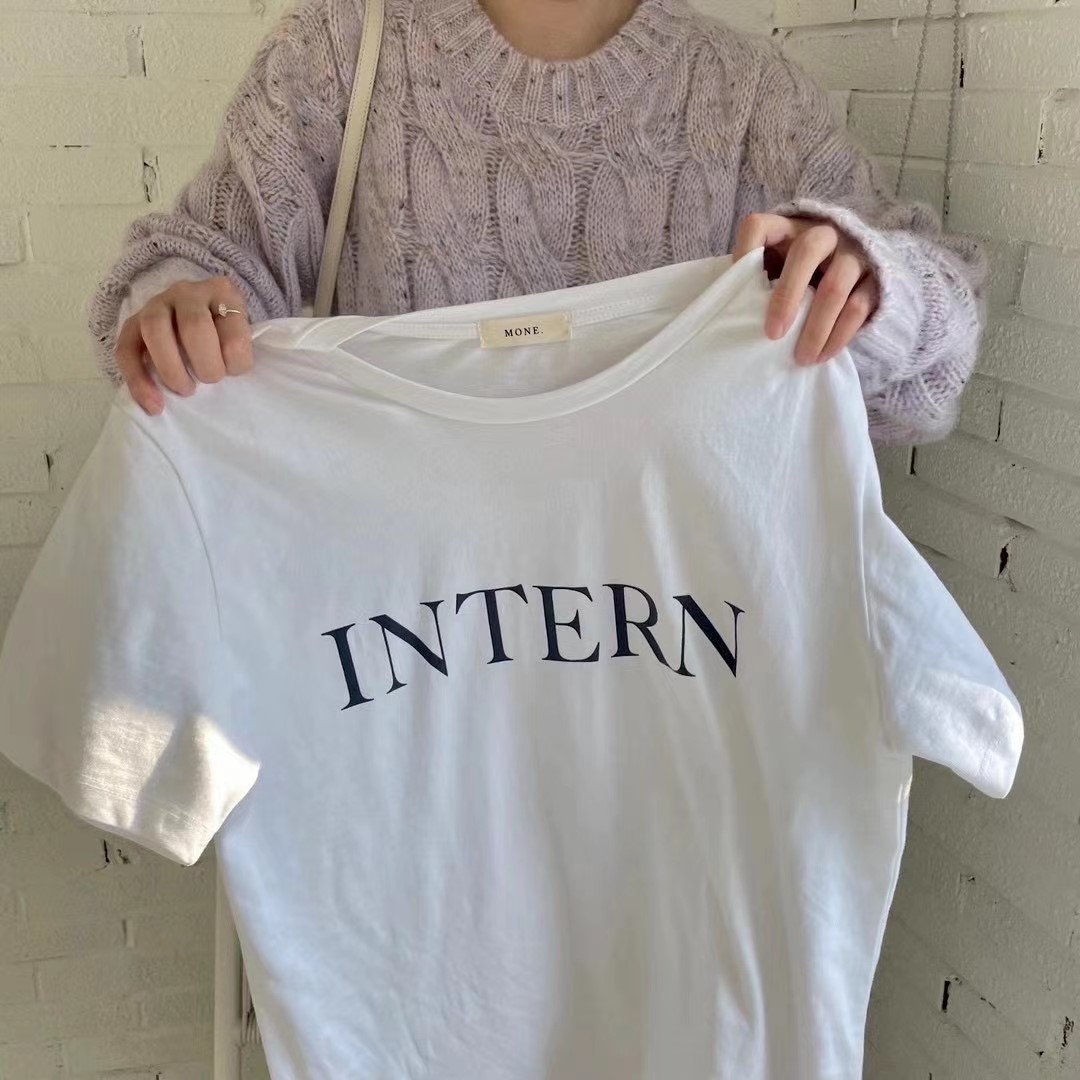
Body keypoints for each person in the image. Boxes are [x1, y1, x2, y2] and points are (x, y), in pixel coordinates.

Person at [88, 0, 984, 447]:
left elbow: (930, 372)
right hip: (392, 629)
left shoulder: (749, 95)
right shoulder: (337, 53)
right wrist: (179, 307)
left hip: (669, 655)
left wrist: (870, 286)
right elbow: (211, 256)